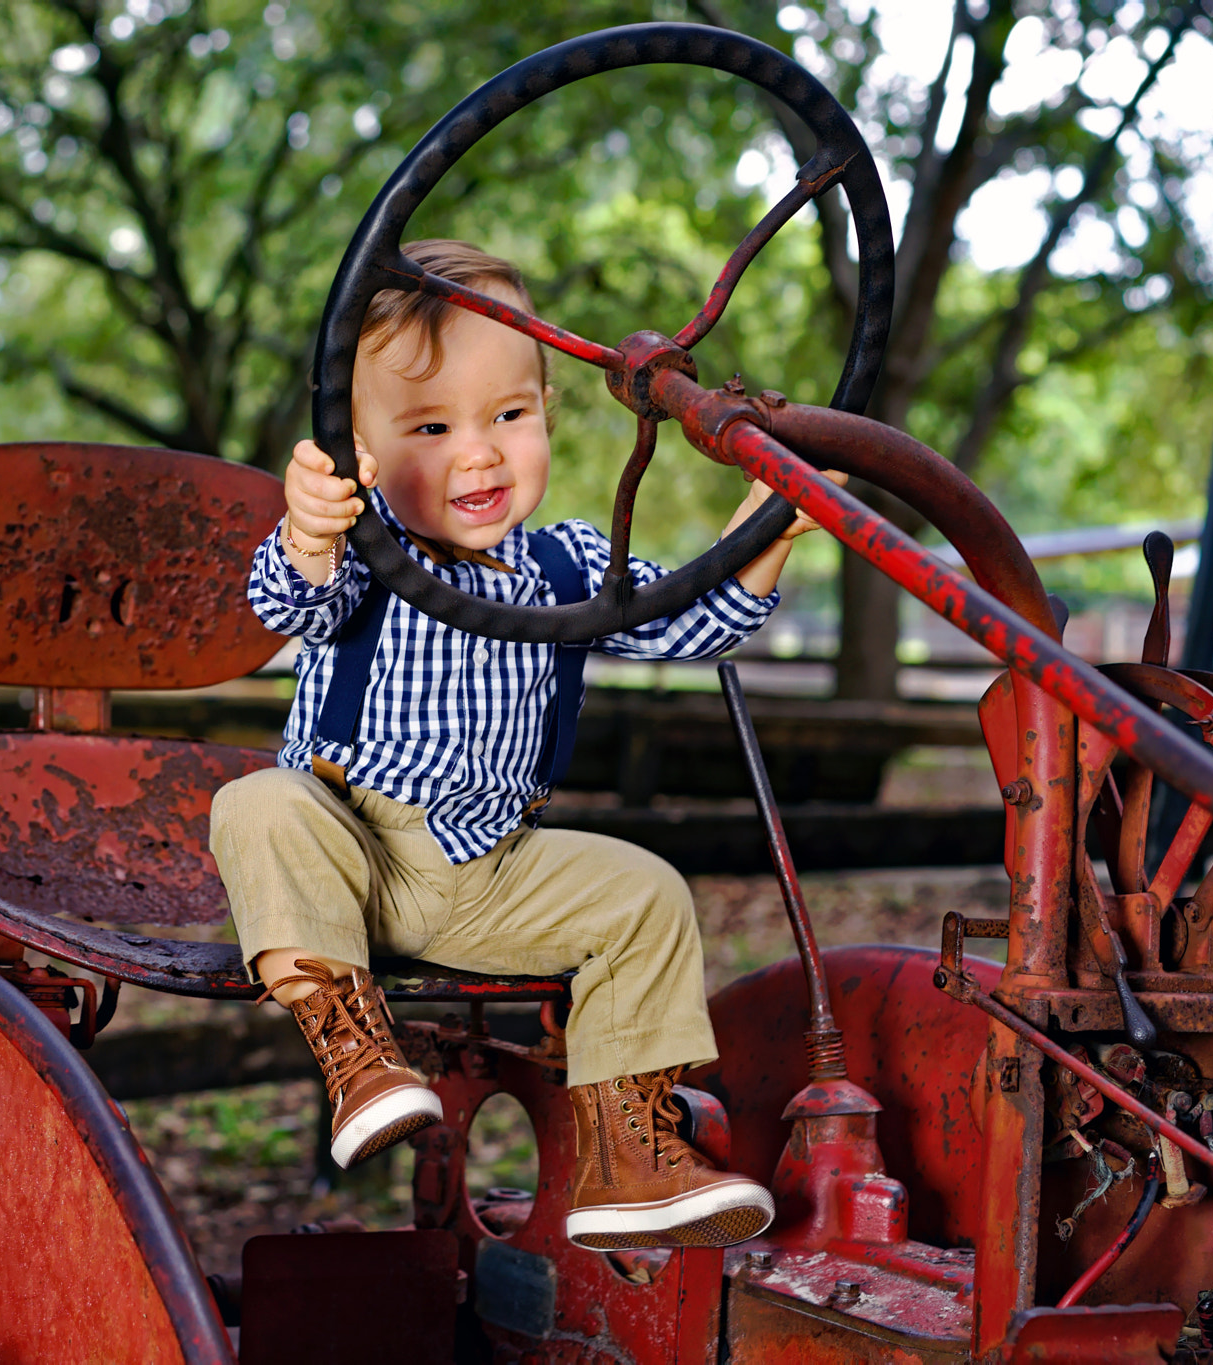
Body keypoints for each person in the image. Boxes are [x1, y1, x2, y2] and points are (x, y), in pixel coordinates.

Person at [209, 239, 838, 1251]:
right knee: (256, 803)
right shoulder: (367, 548)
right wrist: (312, 529)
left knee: (643, 894)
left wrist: (765, 524)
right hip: (351, 851)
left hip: (487, 871)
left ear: (546, 406)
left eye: (507, 415)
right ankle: (356, 1054)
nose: (478, 453)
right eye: (429, 426)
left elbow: (695, 622)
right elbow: (290, 599)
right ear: (356, 446)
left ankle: (623, 1157)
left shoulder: (565, 563)